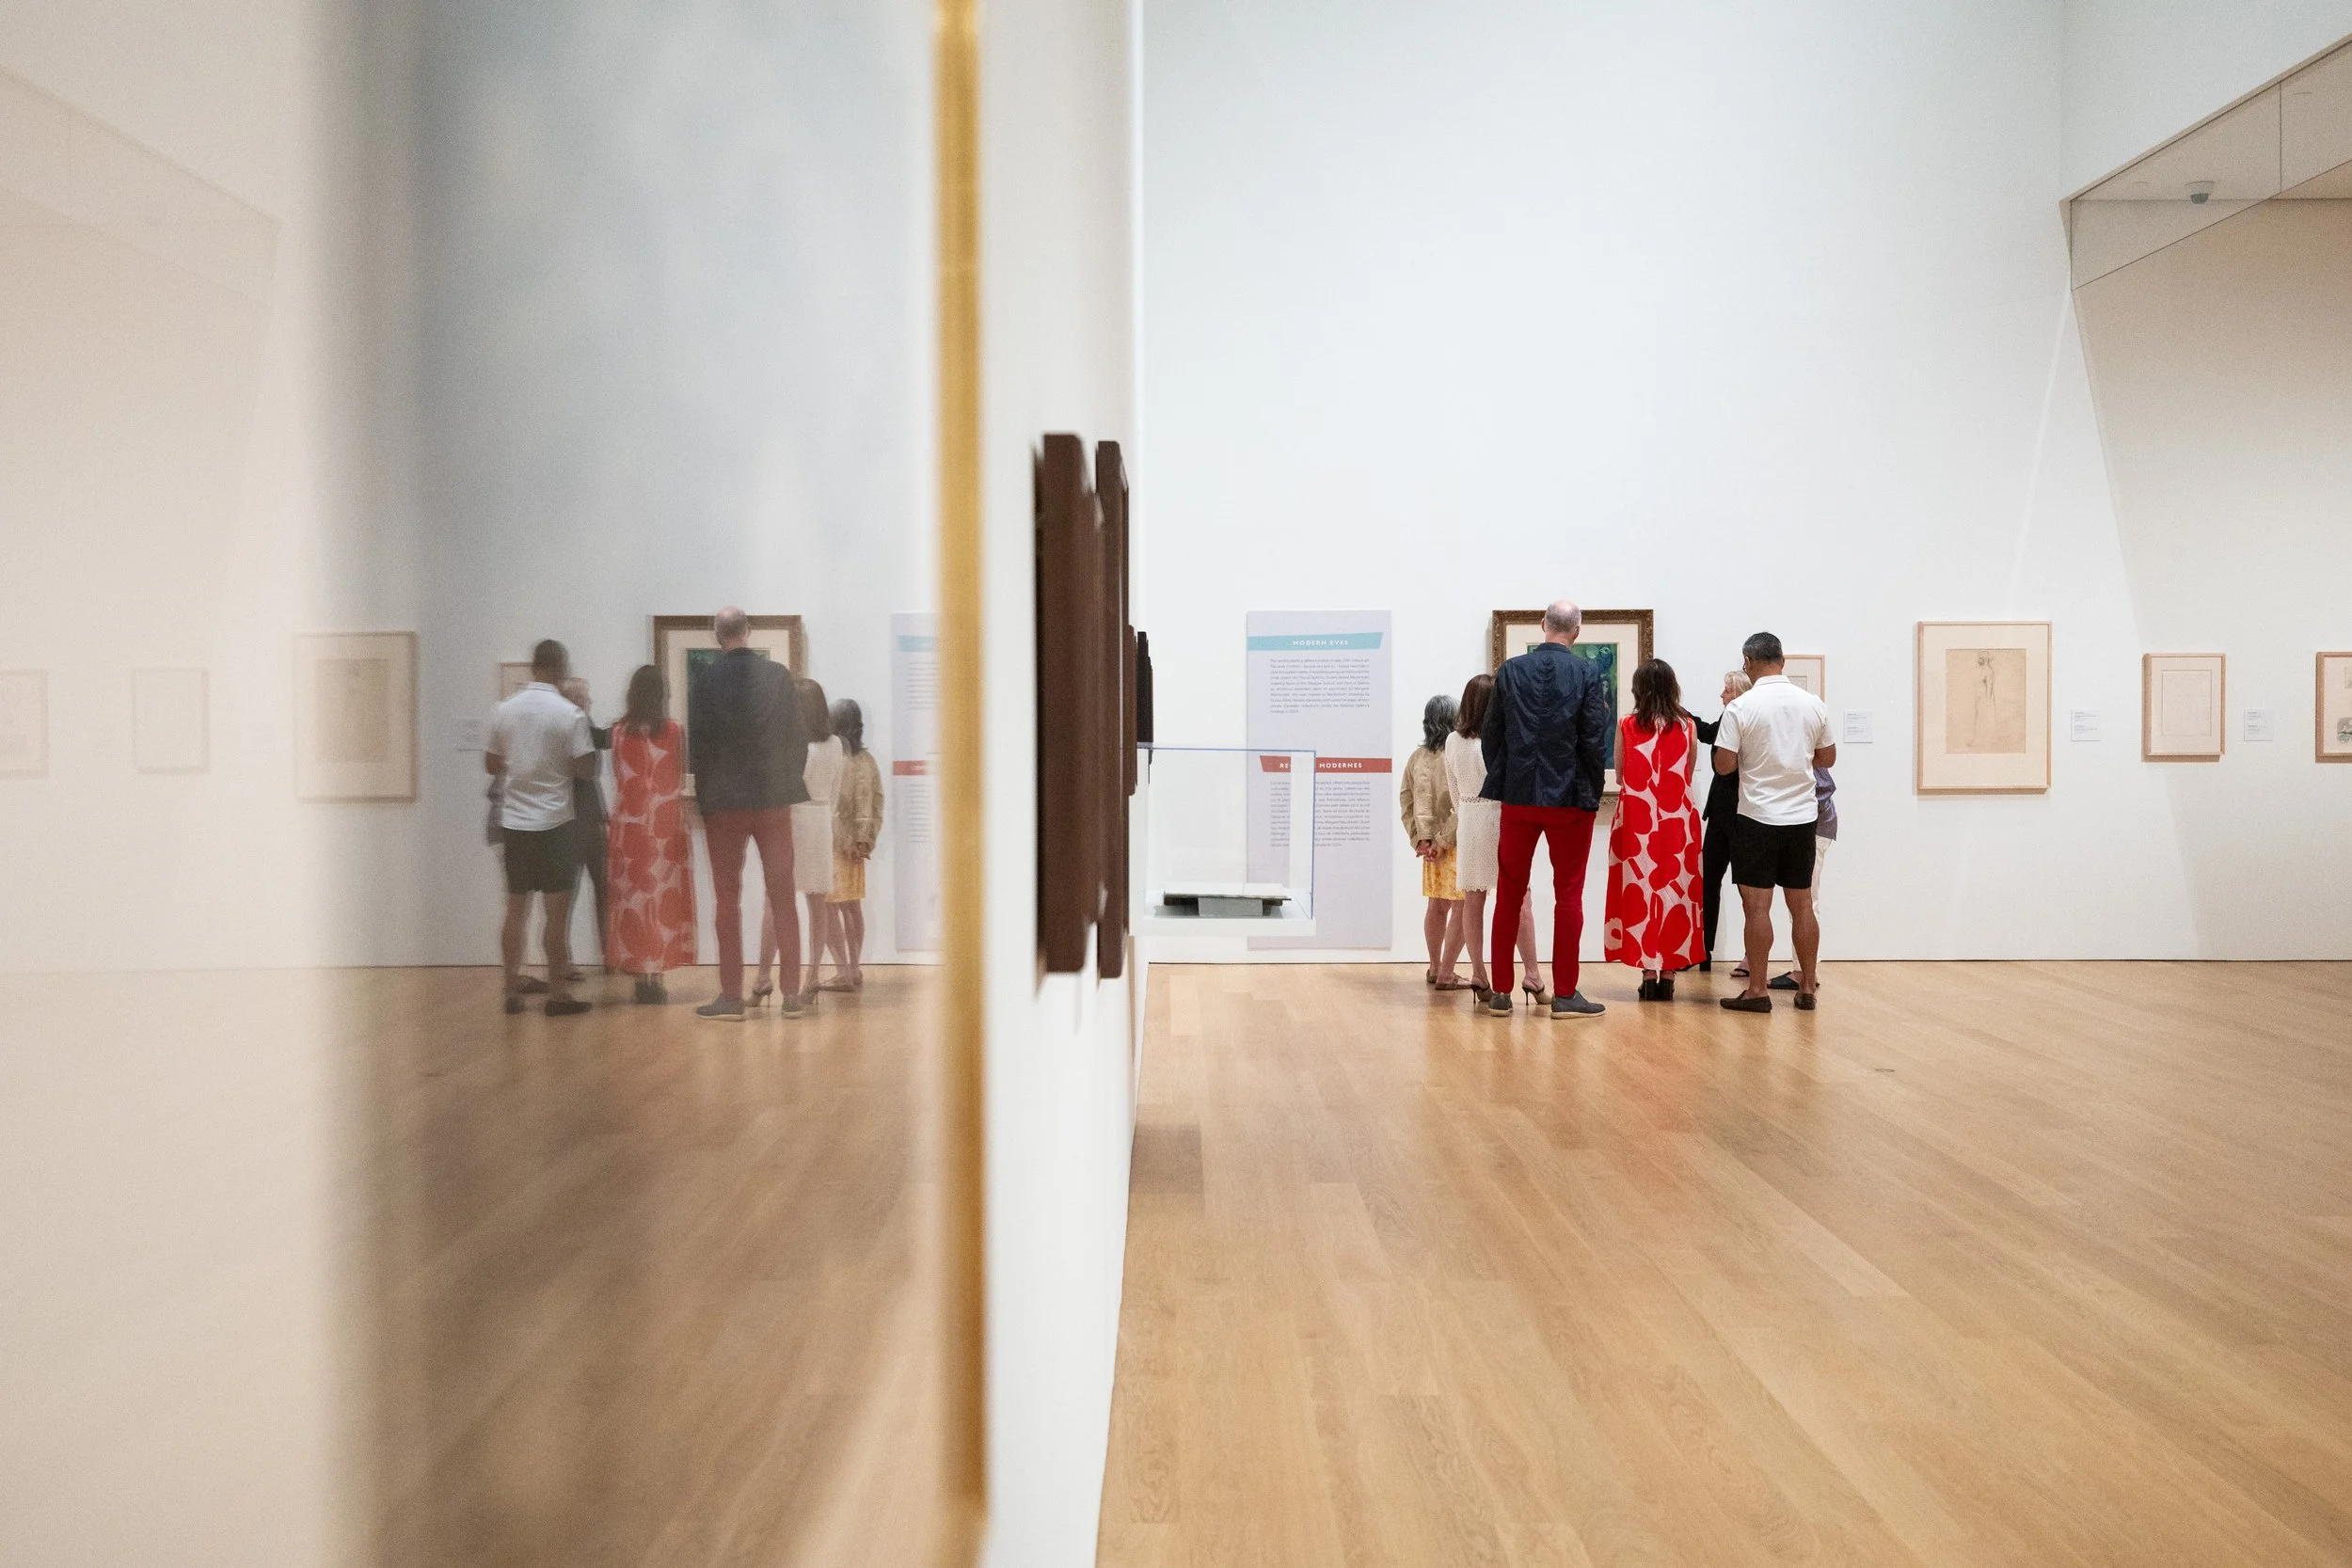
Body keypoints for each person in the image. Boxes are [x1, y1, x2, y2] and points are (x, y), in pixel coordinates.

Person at [1478, 599, 1611, 1020]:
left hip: (1518, 796)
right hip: (1569, 799)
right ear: (1577, 631)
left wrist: (1508, 775)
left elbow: (1491, 734)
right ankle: (1566, 994)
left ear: (1542, 626)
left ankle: (1501, 993)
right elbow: (1593, 738)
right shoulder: (1588, 673)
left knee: (1509, 893)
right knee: (1568, 896)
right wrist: (1591, 787)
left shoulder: (1512, 670)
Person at [688, 607, 810, 1021]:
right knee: (783, 896)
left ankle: (730, 996)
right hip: (774, 798)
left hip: (724, 804)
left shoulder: (704, 681)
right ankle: (791, 995)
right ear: (749, 631)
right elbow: (798, 737)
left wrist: (706, 797)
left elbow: (699, 747)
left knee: (727, 900)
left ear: (716, 635)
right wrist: (787, 779)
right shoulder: (776, 677)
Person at [1711, 631, 1836, 1012]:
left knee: (1757, 909)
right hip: (1801, 818)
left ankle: (1757, 991)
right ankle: (1807, 988)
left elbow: (1724, 765)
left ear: (1747, 662)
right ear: (1782, 661)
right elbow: (1827, 757)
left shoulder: (1741, 708)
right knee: (1802, 905)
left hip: (1757, 818)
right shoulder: (1812, 704)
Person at [485, 639, 596, 1017]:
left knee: (515, 909)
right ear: (561, 668)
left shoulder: (505, 710)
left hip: (515, 821)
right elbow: (584, 769)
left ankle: (510, 989)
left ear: (534, 667)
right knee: (556, 913)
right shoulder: (570, 714)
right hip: (555, 822)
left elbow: (491, 763)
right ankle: (558, 994)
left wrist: (522, 767)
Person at [1603, 659, 1706, 999]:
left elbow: (1619, 775)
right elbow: (1687, 772)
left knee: (1641, 888)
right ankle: (1670, 974)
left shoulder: (1627, 725)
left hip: (1636, 818)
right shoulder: (1688, 726)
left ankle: (1648, 973)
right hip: (1679, 819)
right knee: (1677, 890)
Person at [1444, 673, 1544, 1003]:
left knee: (1473, 899)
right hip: (1501, 817)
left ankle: (1478, 973)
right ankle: (1532, 974)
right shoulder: (1501, 738)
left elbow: (1455, 794)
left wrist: (1469, 812)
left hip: (1470, 820)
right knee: (1520, 898)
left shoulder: (1453, 742)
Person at [606, 664, 695, 1005]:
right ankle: (655, 975)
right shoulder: (674, 731)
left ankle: (641, 976)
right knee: (661, 902)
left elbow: (618, 774)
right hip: (664, 826)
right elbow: (680, 775)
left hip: (628, 826)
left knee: (633, 900)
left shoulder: (617, 733)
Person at [755, 676, 840, 1006]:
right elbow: (835, 792)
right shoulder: (835, 745)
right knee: (818, 904)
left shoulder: (787, 742)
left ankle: (763, 977)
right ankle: (813, 975)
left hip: (790, 820)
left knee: (773, 903)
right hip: (820, 822)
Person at [1400, 694, 1468, 990]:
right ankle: (1447, 972)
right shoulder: (1456, 754)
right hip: (1456, 842)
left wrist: (1420, 839)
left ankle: (1435, 966)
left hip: (1429, 849)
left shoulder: (1417, 758)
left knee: (1436, 906)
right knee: (1464, 907)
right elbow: (1463, 802)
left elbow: (1407, 799)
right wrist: (1442, 839)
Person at [1692, 670, 1752, 973]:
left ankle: (1751, 956)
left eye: (1727, 691)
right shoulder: (1727, 721)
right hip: (1720, 815)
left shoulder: (1749, 722)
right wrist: (1679, 711)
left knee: (1750, 890)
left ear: (1739, 694)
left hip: (1743, 816)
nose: (1722, 695)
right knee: (1707, 885)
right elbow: (1705, 731)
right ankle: (1703, 951)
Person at [825, 697, 883, 991]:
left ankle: (842, 970)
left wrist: (848, 840)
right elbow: (875, 804)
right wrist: (865, 841)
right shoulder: (868, 761)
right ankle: (855, 968)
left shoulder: (837, 758)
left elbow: (834, 806)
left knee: (829, 907)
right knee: (852, 906)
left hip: (835, 844)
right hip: (856, 848)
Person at [560, 674, 612, 973]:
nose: (589, 703)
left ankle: (609, 955)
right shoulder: (572, 725)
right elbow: (603, 740)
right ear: (576, 700)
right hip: (573, 822)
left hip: (588, 819)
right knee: (568, 893)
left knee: (602, 889)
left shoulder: (582, 724)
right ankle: (565, 960)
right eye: (585, 698)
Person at [1770, 766, 1836, 991]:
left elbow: (1820, 789)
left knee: (1806, 900)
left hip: (1813, 827)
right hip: (1813, 826)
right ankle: (1804, 971)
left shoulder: (1805, 755)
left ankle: (1805, 972)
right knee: (1804, 901)